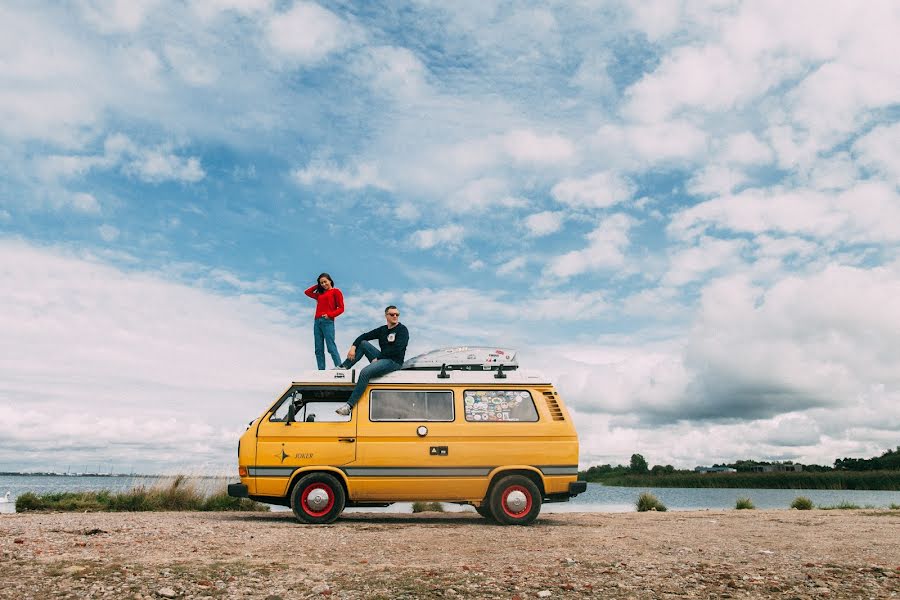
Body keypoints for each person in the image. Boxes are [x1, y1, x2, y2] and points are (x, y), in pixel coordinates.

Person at [334, 305, 409, 416]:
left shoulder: (402, 330)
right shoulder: (382, 330)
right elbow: (364, 336)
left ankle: (348, 406)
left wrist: (378, 358)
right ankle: (344, 366)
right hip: (383, 358)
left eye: (397, 314)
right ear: (386, 315)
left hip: (394, 362)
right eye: (392, 314)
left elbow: (397, 349)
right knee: (363, 344)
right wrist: (353, 347)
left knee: (365, 373)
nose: (395, 316)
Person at [304, 273, 345, 370]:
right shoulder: (319, 295)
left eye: (325, 281)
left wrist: (330, 315)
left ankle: (339, 367)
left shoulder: (336, 291)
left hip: (328, 322)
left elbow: (341, 308)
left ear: (330, 281)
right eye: (321, 283)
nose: (323, 284)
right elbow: (307, 292)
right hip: (317, 322)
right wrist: (317, 285)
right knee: (318, 349)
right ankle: (321, 370)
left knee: (330, 346)